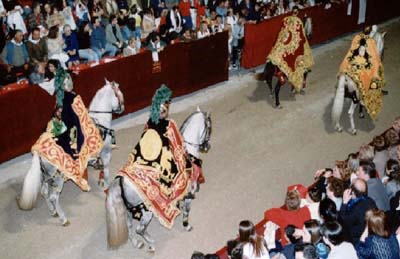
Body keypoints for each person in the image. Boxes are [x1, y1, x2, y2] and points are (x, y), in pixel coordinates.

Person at [264, 10, 314, 108]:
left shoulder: (285, 20)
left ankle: (273, 92)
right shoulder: (298, 22)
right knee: (302, 65)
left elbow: (280, 34)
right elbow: (302, 39)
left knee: (278, 46)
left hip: (281, 47)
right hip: (290, 49)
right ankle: (296, 86)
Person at [338, 28, 385, 120]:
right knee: (372, 82)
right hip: (364, 65)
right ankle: (365, 104)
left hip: (355, 62)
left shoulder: (357, 37)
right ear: (370, 31)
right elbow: (374, 55)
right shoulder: (371, 41)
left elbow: (351, 51)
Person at [338, 178, 377, 244]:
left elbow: (342, 222)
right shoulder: (370, 201)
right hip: (372, 237)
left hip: (357, 242)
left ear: (352, 192)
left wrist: (344, 203)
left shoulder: (356, 208)